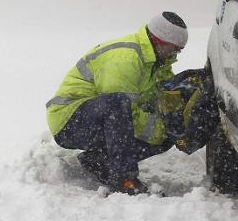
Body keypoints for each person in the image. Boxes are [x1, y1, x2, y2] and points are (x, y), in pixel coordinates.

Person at [45, 12, 189, 195]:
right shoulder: (125, 59)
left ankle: (98, 160)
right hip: (68, 120)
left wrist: (177, 121)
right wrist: (161, 128)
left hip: (95, 119)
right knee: (119, 105)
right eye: (173, 48)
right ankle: (124, 178)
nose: (175, 54)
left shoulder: (158, 62)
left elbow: (162, 96)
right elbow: (123, 114)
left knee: (168, 130)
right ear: (158, 40)